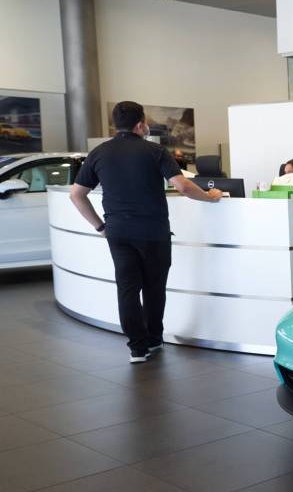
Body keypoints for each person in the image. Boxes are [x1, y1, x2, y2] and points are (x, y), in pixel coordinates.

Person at [70, 101, 223, 364]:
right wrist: (210, 196)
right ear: (141, 124)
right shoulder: (155, 150)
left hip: (118, 232)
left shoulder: (99, 153)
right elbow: (183, 187)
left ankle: (136, 349)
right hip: (153, 232)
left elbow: (76, 195)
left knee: (127, 289)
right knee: (154, 289)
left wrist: (101, 227)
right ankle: (153, 340)